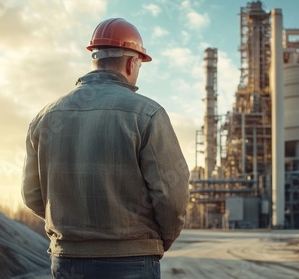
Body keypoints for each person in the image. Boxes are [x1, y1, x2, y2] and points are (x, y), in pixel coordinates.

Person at [22, 18, 190, 279]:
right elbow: (172, 194)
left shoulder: (45, 117)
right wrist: (154, 242)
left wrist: (72, 233)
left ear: (95, 58)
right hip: (131, 262)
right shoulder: (148, 114)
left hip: (67, 262)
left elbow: (32, 194)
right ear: (131, 62)